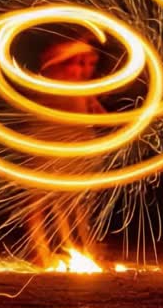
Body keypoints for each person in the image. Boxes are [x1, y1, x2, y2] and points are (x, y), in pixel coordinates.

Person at [22, 35, 107, 267]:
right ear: (68, 62)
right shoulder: (53, 78)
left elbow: (98, 112)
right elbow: (53, 57)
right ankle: (39, 251)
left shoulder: (85, 87)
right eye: (81, 63)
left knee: (73, 201)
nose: (86, 69)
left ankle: (82, 248)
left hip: (78, 144)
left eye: (91, 65)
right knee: (38, 200)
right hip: (48, 141)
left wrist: (131, 124)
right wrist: (85, 38)